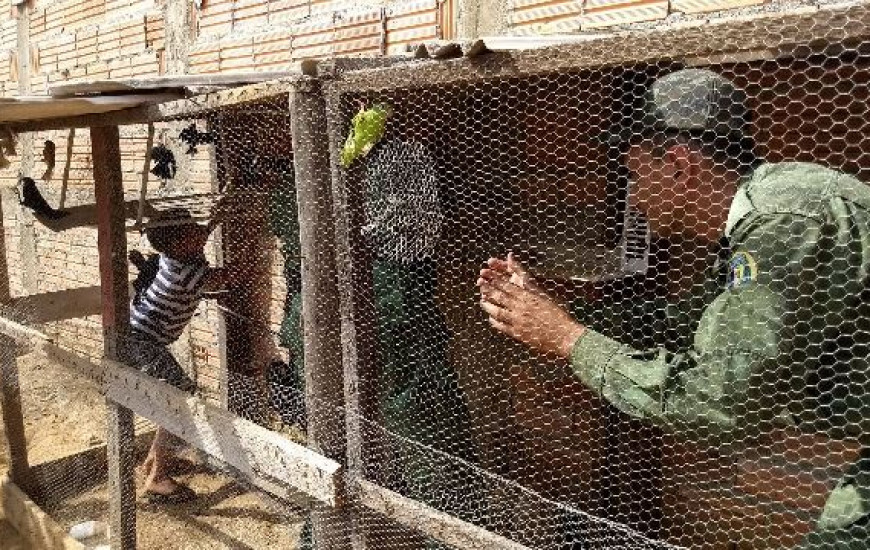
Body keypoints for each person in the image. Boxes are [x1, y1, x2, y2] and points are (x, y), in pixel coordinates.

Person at [478, 68, 870, 548]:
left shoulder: (778, 225)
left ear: (680, 166)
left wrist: (566, 338)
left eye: (636, 174)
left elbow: (719, 401)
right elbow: (684, 325)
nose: (634, 197)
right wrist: (552, 312)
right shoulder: (757, 218)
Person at [124, 202, 232, 504]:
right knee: (180, 402)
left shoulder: (177, 254)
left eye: (198, 227)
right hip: (141, 342)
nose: (201, 232)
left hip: (140, 335)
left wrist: (214, 219)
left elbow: (199, 235)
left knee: (177, 399)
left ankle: (153, 462)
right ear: (177, 245)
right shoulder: (185, 273)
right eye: (192, 232)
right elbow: (226, 278)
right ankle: (158, 477)